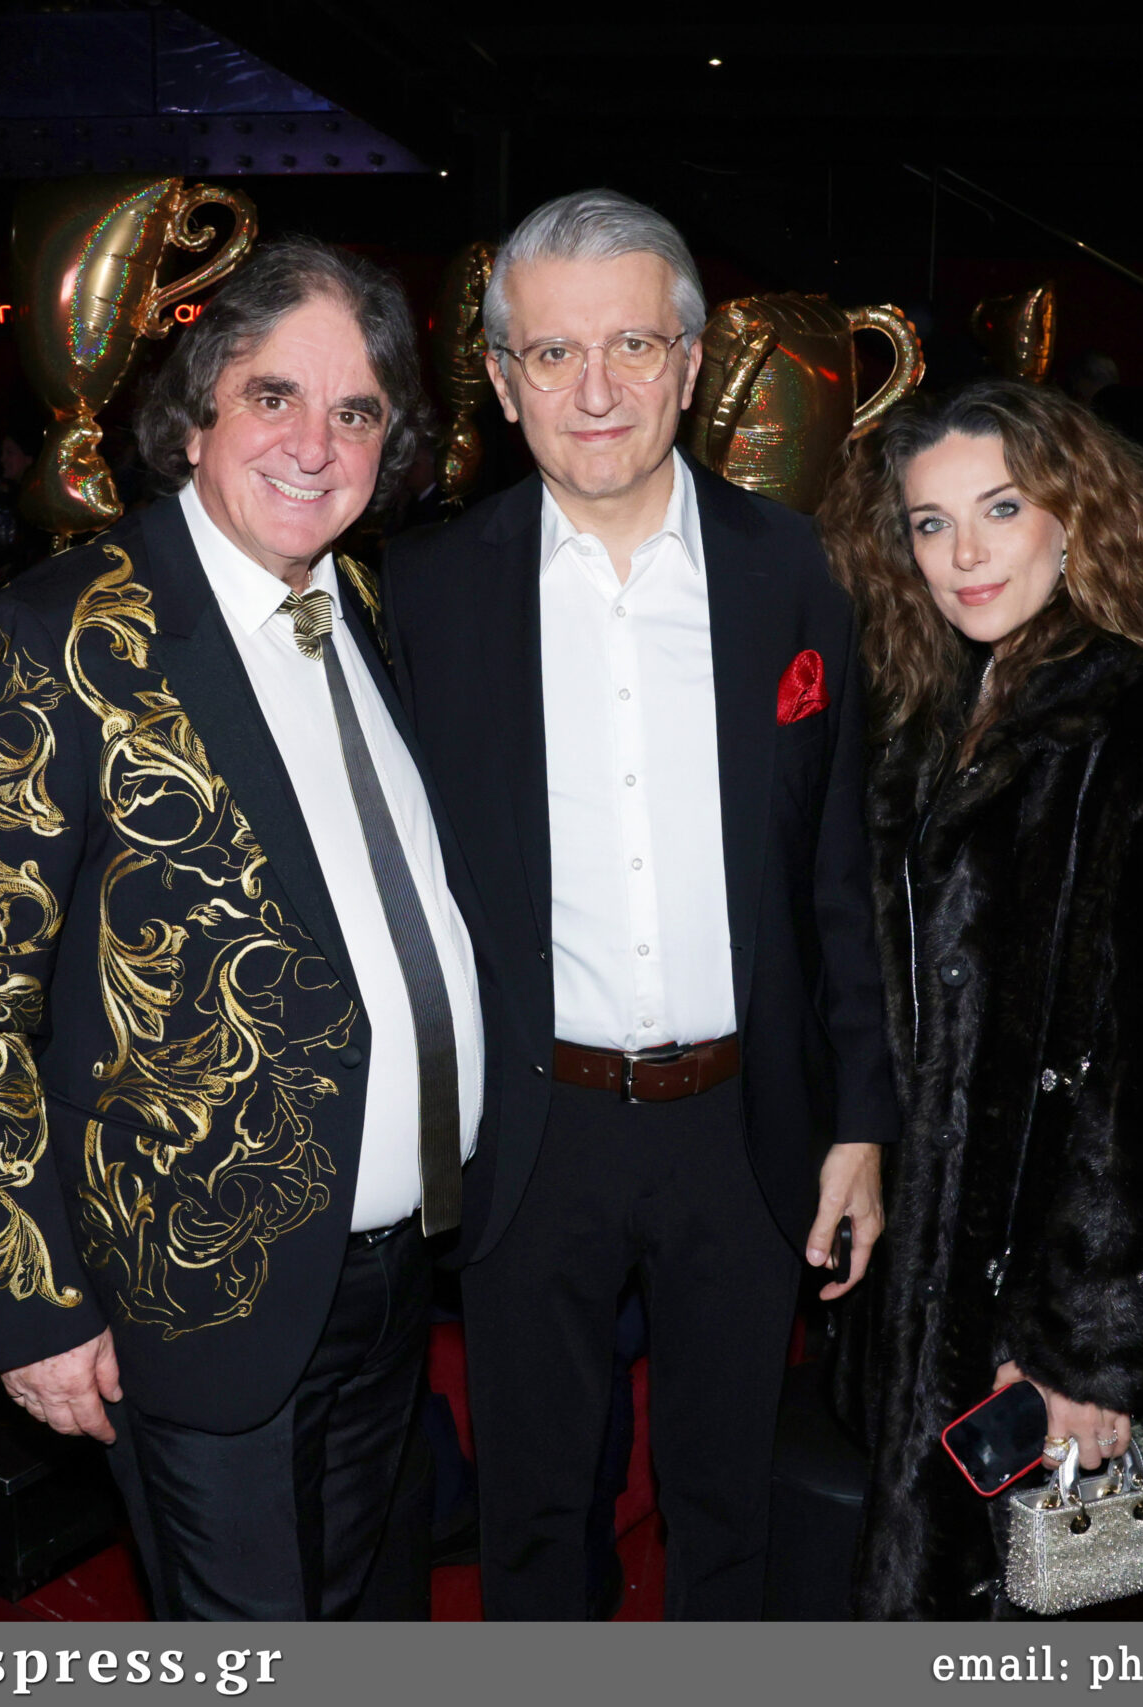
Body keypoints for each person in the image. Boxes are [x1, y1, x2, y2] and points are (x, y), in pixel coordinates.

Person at [0, 235, 483, 1621]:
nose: (314, 444)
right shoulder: (55, 638)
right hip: (198, 1291)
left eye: (356, 411)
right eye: (274, 395)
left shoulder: (362, 606)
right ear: (195, 414)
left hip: (395, 1277)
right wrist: (33, 1302)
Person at [383, 188, 895, 1620]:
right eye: (553, 354)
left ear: (690, 362)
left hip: (743, 1122)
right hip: (530, 1131)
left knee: (728, 1505)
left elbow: (840, 869)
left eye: (631, 346)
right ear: (502, 380)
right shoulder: (424, 591)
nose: (595, 390)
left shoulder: (798, 572)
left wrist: (862, 1121)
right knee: (534, 1511)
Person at [818, 378, 1143, 1620]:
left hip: (1046, 1287)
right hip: (930, 1268)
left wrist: (1096, 1349)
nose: (963, 553)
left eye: (1000, 509)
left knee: (1027, 1611)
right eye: (930, 522)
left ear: (1076, 518)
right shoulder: (931, 713)